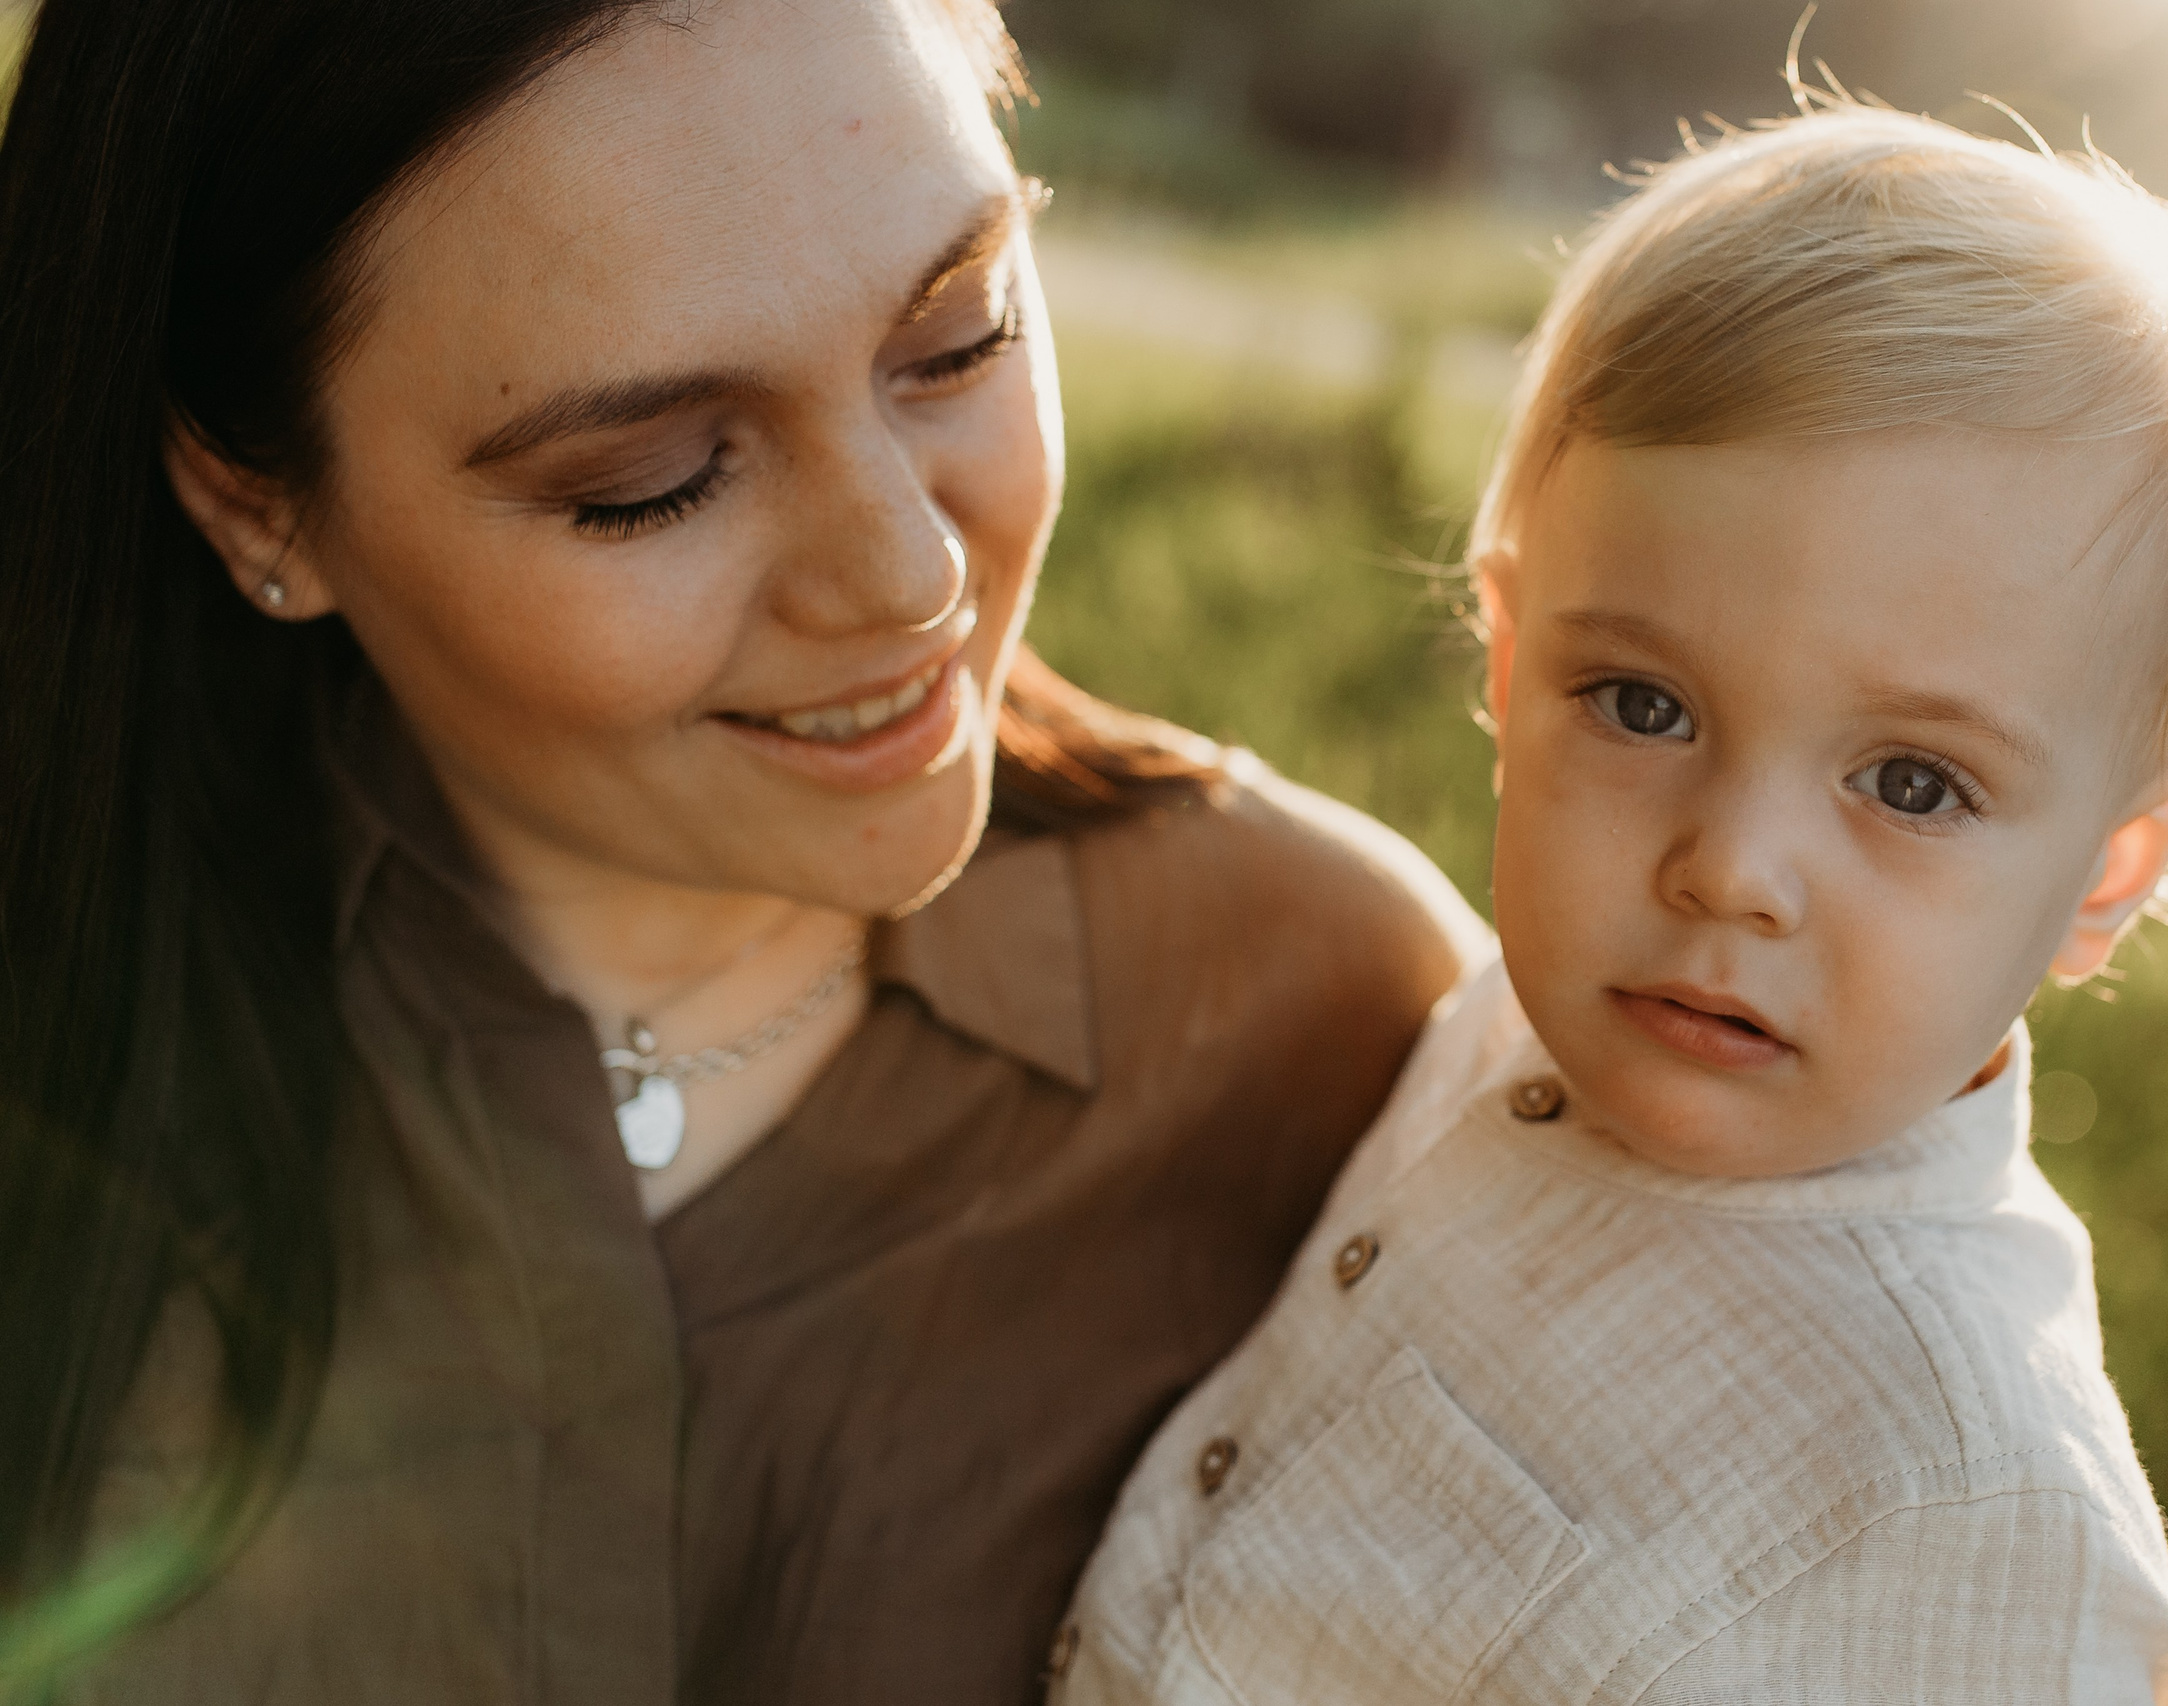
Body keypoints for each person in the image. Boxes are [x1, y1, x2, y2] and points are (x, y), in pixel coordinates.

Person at [0, 0, 1482, 1700]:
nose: (909, 575)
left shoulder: (1338, 1019)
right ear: (257, 500)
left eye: (960, 338)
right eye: (650, 480)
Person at [1055, 97, 2168, 1704]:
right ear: (1509, 668)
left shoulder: (1960, 1511)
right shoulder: (1524, 1012)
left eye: (1914, 784)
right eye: (1642, 705)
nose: (1729, 868)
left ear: (2112, 870)